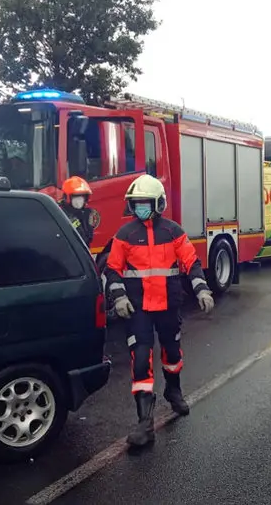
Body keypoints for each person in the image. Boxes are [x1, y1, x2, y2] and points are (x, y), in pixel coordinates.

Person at [104, 174, 215, 448]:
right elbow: (112, 269)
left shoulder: (173, 231)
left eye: (144, 202)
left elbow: (192, 262)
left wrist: (201, 289)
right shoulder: (124, 235)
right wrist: (118, 297)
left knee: (172, 354)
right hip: (138, 309)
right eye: (135, 203)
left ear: (158, 203)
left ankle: (174, 391)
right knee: (140, 359)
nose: (139, 207)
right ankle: (145, 423)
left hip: (168, 306)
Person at [58, 176, 95, 246]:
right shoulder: (61, 213)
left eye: (82, 197)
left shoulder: (85, 214)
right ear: (67, 197)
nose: (79, 201)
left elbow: (88, 238)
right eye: (76, 197)